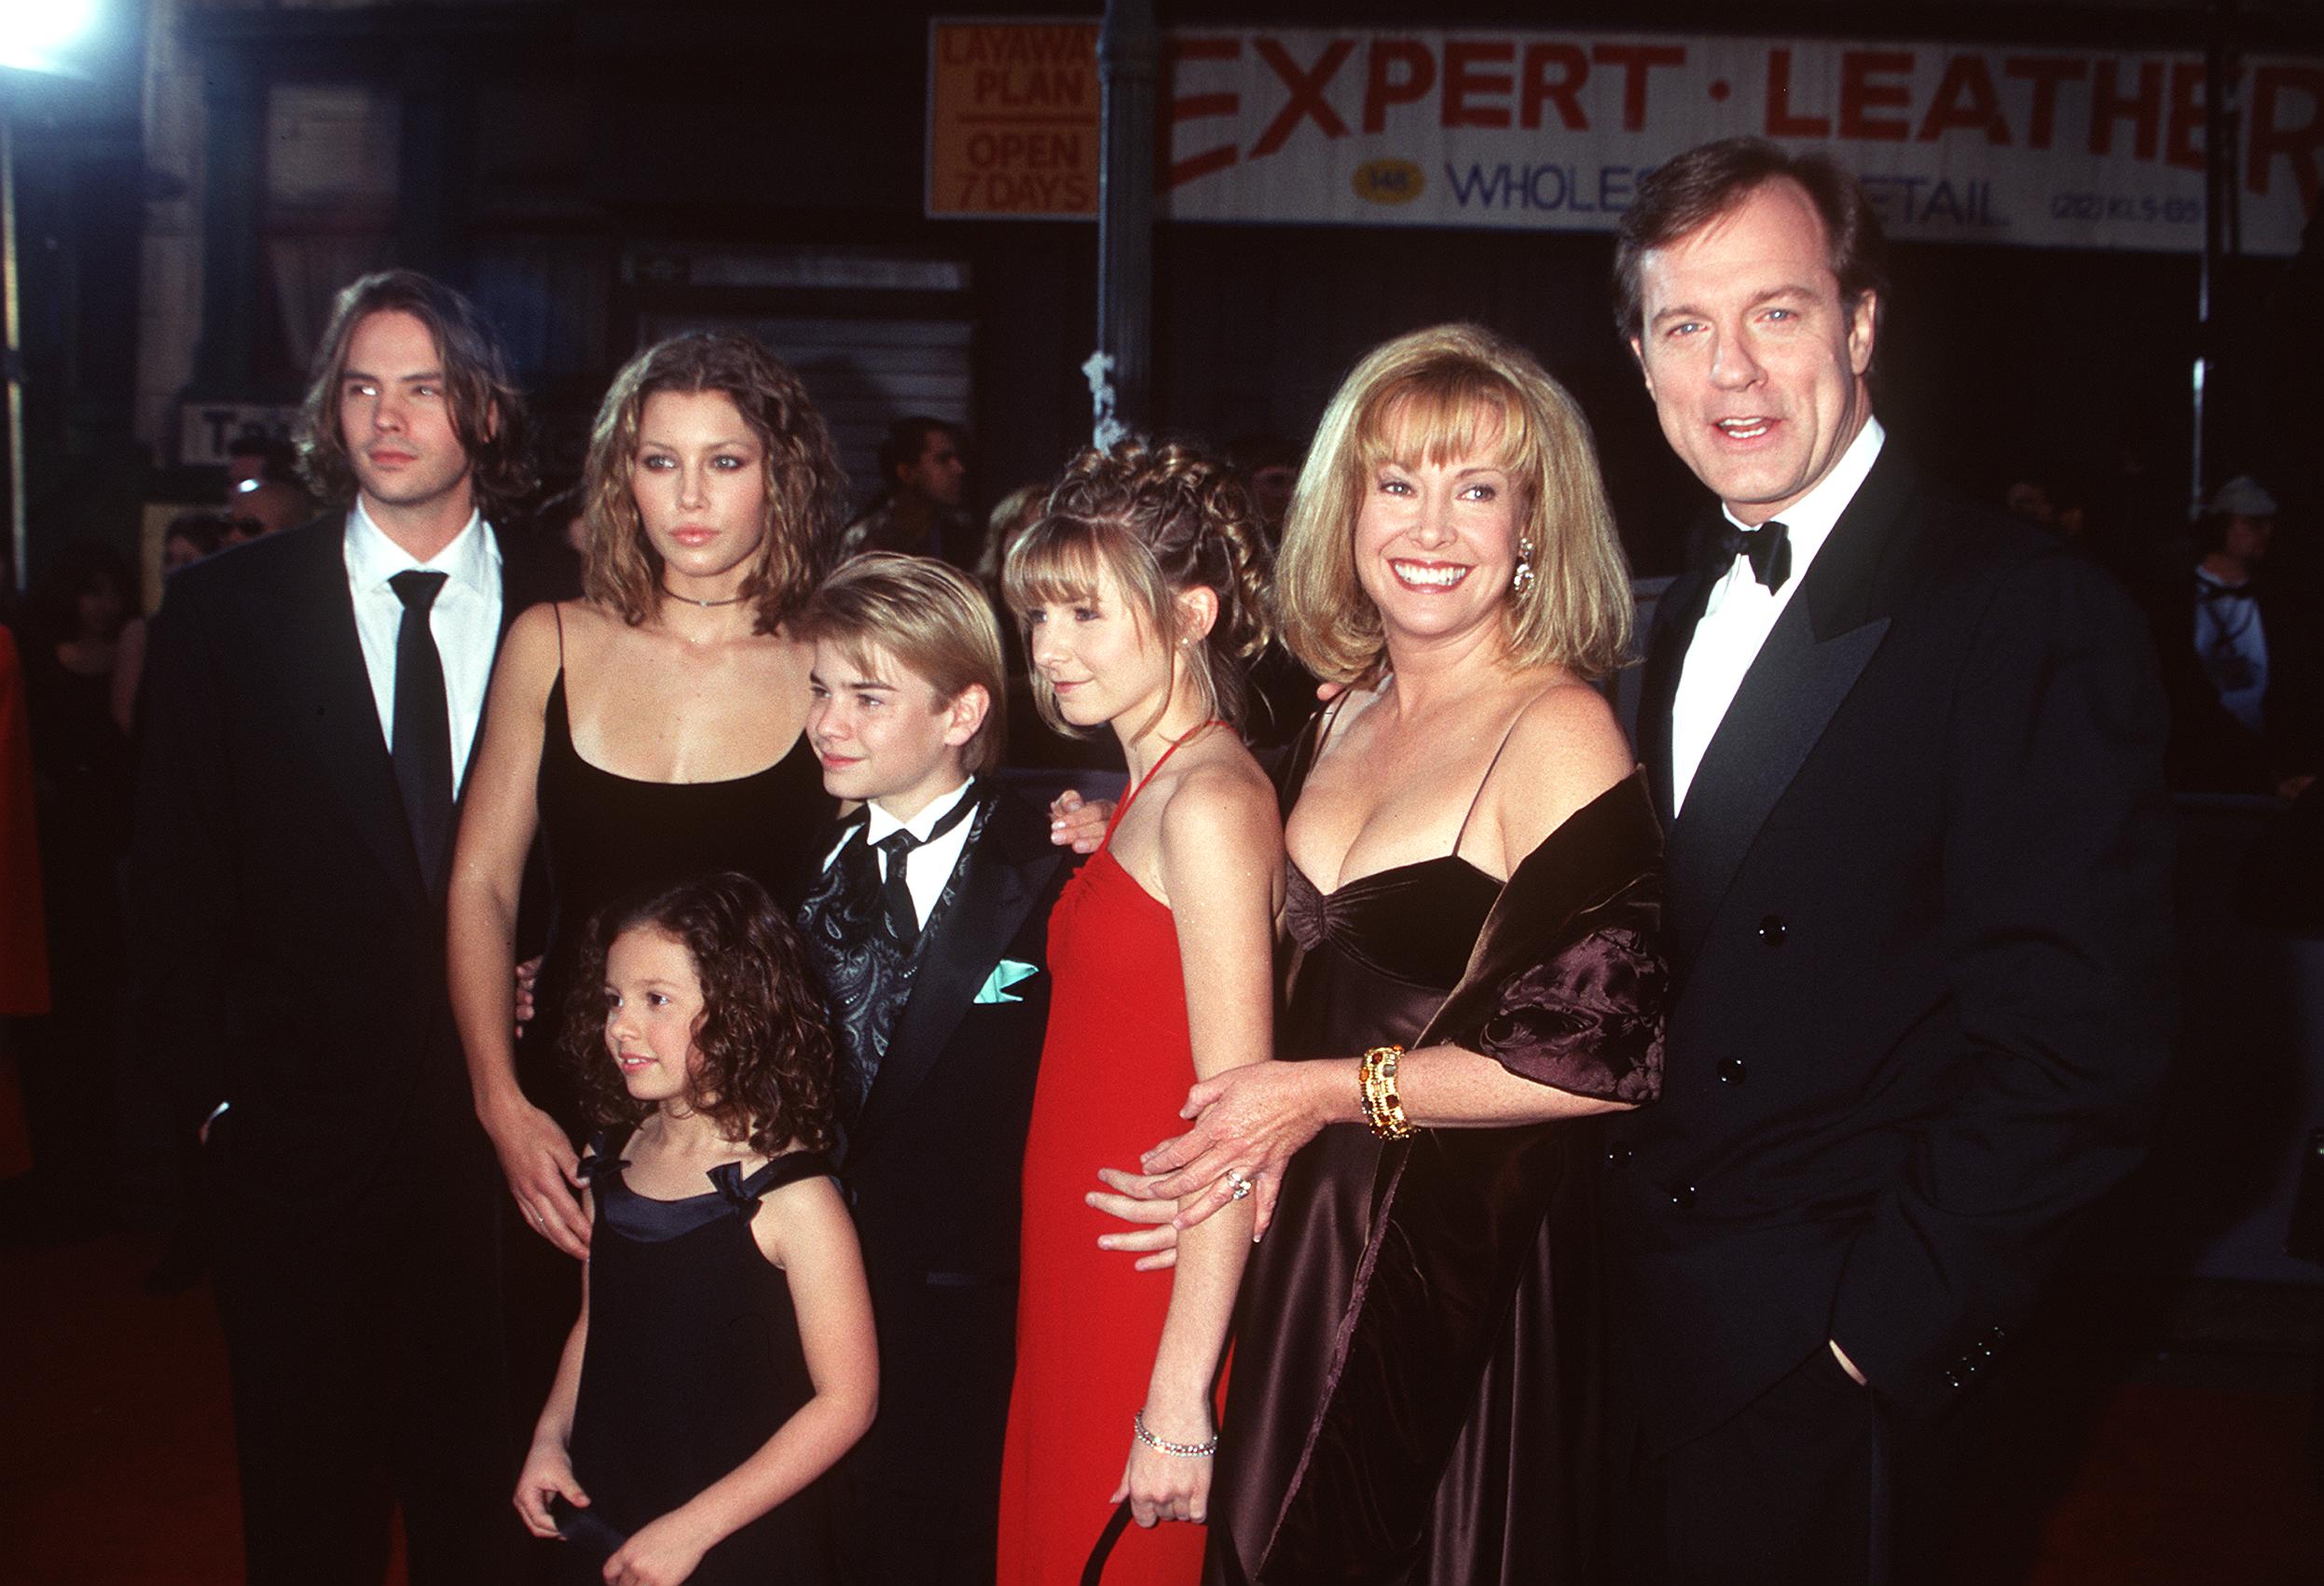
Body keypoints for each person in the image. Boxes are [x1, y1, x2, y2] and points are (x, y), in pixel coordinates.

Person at [1606, 138, 2172, 1581]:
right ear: (1642, 360)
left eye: (1776, 314)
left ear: (1861, 327)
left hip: (1825, 1351)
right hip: (1640, 1323)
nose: (1732, 372)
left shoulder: (2025, 608)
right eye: (1687, 326)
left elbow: (2079, 1049)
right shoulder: (1667, 615)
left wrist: (1879, 1336)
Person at [1106, 324, 1668, 1583]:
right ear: (1344, 510)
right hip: (1295, 1245)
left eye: (1478, 490)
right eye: (1397, 483)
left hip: (1445, 1281)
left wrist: (1314, 1094)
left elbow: (1600, 1062)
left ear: (1533, 527)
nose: (1432, 525)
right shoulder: (1336, 705)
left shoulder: (1559, 725)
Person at [129, 269, 567, 1581]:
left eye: (423, 387)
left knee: (494, 1513)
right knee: (306, 1509)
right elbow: (170, 890)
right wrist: (207, 1122)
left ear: (480, 410)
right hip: (294, 1154)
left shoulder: (581, 598)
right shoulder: (227, 613)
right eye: (361, 387)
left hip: (517, 1151)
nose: (387, 417)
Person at [449, 331, 841, 1265]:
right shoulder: (549, 641)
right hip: (564, 1107)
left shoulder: (837, 654)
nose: (692, 497)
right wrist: (500, 1106)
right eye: (661, 461)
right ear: (623, 477)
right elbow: (481, 887)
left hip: (765, 1121)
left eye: (726, 462)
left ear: (780, 476)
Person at [996, 438, 1283, 1584]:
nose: (1048, 651)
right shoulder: (1155, 789)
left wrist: (1176, 1399)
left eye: (1083, 615)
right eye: (1035, 618)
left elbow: (1236, 1116)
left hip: (1146, 1293)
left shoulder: (1208, 801)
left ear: (1191, 613)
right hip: (1083, 1268)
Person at [791, 551, 1072, 1585]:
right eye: (822, 689)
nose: (830, 721)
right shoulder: (794, 861)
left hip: (977, 1316)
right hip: (811, 1298)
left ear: (962, 714)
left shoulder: (1056, 864)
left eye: (868, 696)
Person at [515, 873, 876, 1586]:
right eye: (613, 998)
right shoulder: (611, 1157)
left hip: (733, 1532)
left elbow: (846, 1402)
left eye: (657, 1000)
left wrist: (692, 1529)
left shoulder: (792, 1197)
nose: (620, 1025)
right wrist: (549, 1438)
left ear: (740, 1009)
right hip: (612, 1505)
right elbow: (596, 1321)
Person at [2156, 475, 2319, 797]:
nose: (2265, 533)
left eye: (2269, 523)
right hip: (2195, 768)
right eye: (2253, 523)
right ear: (2222, 526)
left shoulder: (2281, 603)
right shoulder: (2174, 600)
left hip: (2271, 767)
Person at [836, 417, 969, 563]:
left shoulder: (960, 538)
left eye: (957, 459)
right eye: (943, 460)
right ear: (906, 473)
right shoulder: (865, 540)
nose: (959, 469)